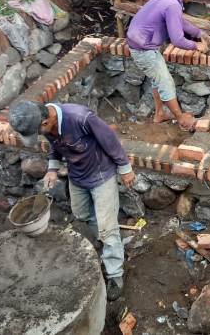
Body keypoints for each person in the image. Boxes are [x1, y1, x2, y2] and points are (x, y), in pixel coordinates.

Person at [8, 100, 135, 301]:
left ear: (45, 121)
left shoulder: (80, 117)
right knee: (82, 214)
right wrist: (52, 169)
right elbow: (54, 147)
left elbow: (110, 140)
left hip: (101, 174)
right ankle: (107, 240)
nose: (41, 134)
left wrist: (125, 168)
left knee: (107, 228)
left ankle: (115, 273)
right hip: (78, 176)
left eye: (39, 131)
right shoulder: (46, 123)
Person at [127, 0, 210, 131]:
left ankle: (159, 113)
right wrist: (196, 46)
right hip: (143, 48)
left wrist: (199, 33)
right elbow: (177, 40)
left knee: (157, 80)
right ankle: (182, 120)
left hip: (140, 42)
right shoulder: (172, 3)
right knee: (165, 82)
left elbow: (179, 21)